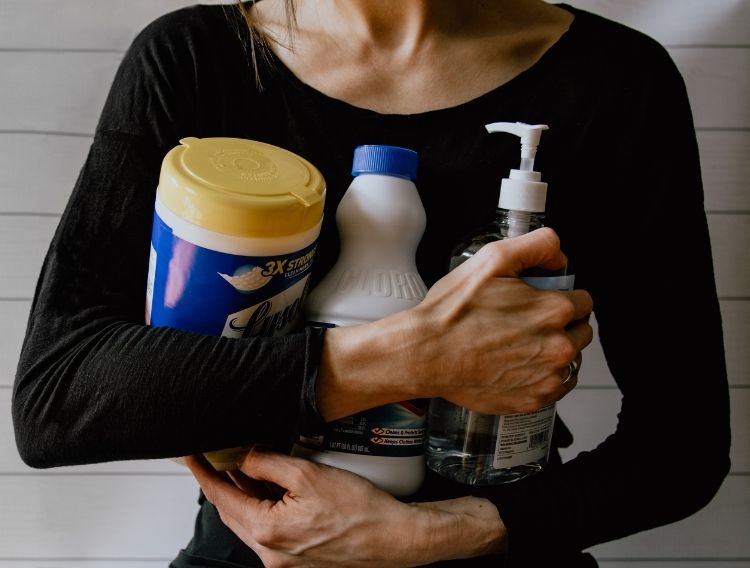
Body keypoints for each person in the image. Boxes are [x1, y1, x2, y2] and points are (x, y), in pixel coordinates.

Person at [11, 1, 730, 567]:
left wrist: (438, 534)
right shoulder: (197, 60)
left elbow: (682, 447)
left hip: (505, 547)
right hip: (259, 553)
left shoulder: (616, 81)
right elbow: (61, 399)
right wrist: (413, 357)